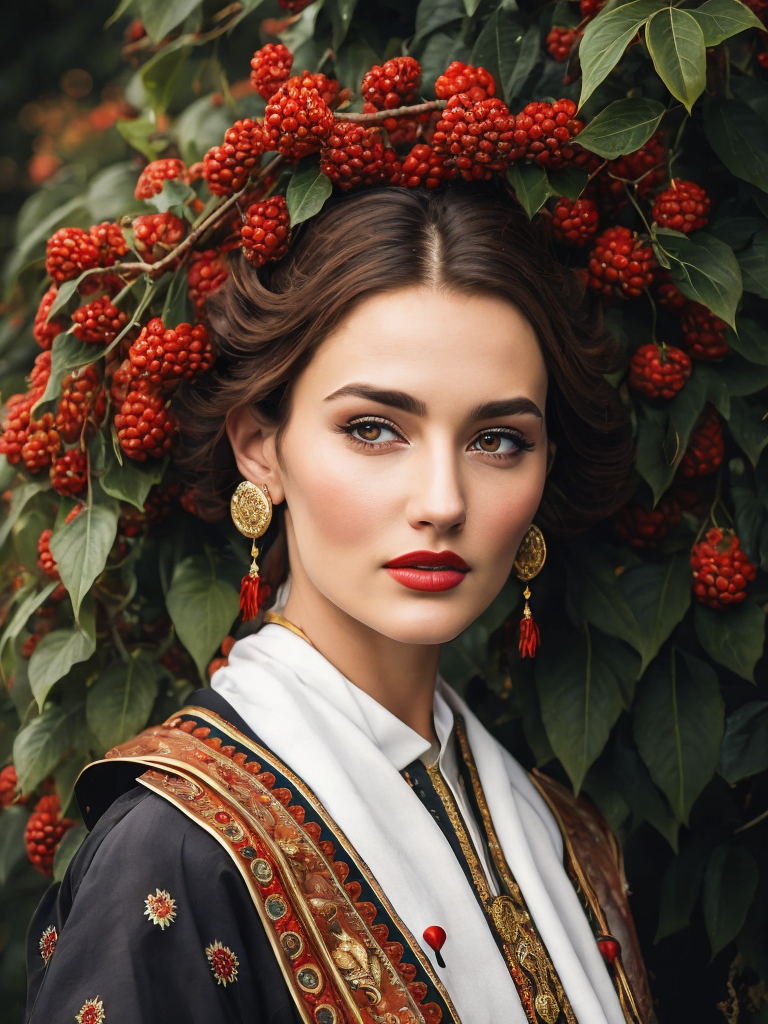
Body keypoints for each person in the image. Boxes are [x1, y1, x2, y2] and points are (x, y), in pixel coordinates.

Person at [25, 182, 651, 1024]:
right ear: (261, 449)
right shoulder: (172, 849)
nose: (443, 501)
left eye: (497, 440)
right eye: (373, 428)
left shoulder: (571, 839)